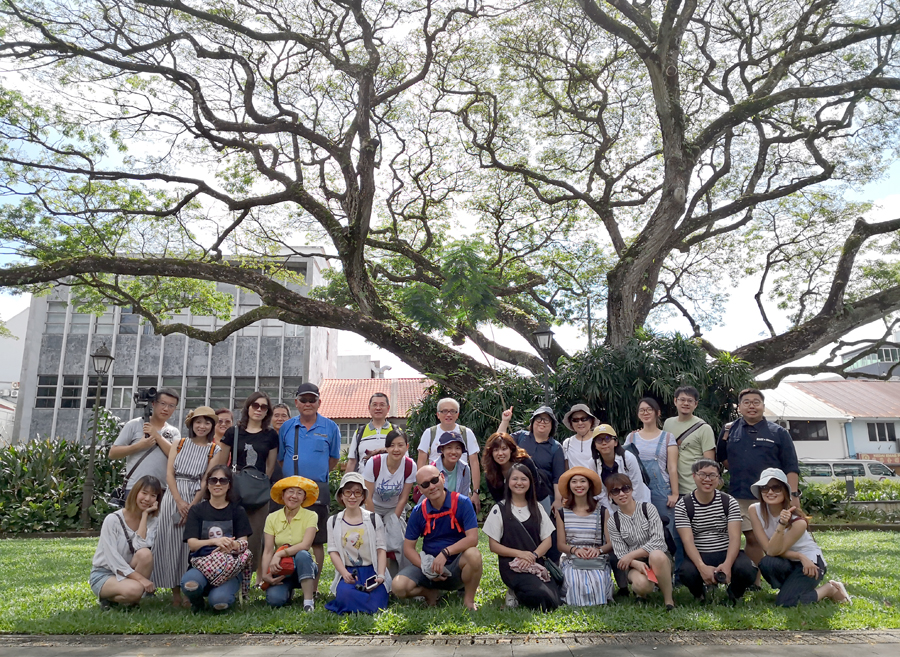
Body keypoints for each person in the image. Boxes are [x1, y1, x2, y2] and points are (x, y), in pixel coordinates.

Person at [717, 388, 800, 583]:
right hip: (741, 494)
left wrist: (793, 494)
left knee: (775, 537)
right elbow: (723, 457)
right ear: (740, 407)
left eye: (756, 402)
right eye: (746, 402)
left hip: (773, 496)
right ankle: (755, 581)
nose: (751, 406)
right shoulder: (729, 430)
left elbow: (791, 466)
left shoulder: (778, 432)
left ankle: (784, 577)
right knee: (752, 538)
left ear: (763, 406)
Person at [749, 468, 851, 607]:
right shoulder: (754, 510)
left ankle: (830, 589)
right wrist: (799, 555)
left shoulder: (798, 522)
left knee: (785, 603)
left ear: (785, 491)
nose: (770, 492)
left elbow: (774, 550)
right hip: (794, 559)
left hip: (811, 564)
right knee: (767, 562)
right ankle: (789, 589)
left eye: (776, 487)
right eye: (765, 488)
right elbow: (770, 551)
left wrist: (783, 525)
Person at [152, 406, 220, 608]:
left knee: (188, 546)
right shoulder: (179, 443)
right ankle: (174, 593)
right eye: (199, 422)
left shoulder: (214, 449)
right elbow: (169, 474)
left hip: (196, 499)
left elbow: (206, 480)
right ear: (191, 424)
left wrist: (191, 505)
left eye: (207, 422)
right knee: (169, 543)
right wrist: (179, 501)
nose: (202, 426)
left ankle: (188, 591)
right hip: (173, 496)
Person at [277, 382, 341, 589]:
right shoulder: (287, 426)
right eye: (303, 400)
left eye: (312, 400)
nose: (307, 403)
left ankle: (312, 587)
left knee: (316, 540)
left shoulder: (331, 427)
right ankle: (286, 581)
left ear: (319, 402)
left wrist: (315, 476)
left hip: (316, 490)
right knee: (286, 537)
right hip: (290, 491)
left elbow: (333, 460)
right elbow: (280, 459)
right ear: (296, 402)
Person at [392, 465, 482, 610]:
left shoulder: (463, 503)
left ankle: (469, 600)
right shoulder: (418, 511)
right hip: (429, 568)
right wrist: (425, 567)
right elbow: (408, 548)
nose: (432, 487)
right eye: (425, 485)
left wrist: (446, 553)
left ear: (442, 478)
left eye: (434, 480)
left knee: (474, 554)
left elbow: (473, 539)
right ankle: (430, 593)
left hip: (456, 566)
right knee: (398, 586)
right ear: (420, 490)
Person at [214, 391, 278, 584]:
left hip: (258, 492)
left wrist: (258, 484)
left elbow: (270, 466)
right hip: (235, 490)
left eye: (264, 407)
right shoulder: (233, 432)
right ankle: (227, 578)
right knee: (230, 533)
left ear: (268, 411)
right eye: (255, 405)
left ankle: (248, 582)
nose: (259, 409)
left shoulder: (271, 435)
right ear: (248, 407)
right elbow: (221, 462)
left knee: (255, 537)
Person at [674, 459, 758, 605]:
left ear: (719, 479)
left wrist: (727, 564)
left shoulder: (729, 501)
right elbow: (687, 541)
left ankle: (734, 594)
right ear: (693, 476)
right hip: (700, 553)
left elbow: (735, 538)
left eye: (712, 475)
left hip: (726, 551)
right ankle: (699, 594)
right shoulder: (683, 505)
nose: (707, 479)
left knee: (748, 569)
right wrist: (701, 567)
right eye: (702, 475)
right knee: (686, 572)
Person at [484, 463, 560, 610]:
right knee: (540, 597)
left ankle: (521, 592)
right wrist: (521, 555)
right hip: (512, 567)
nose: (519, 483)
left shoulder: (537, 508)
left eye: (524, 479)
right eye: (515, 479)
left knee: (554, 600)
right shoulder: (499, 509)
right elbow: (493, 546)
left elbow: (548, 540)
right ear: (508, 482)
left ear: (530, 483)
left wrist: (532, 555)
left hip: (535, 564)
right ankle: (515, 593)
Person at [181, 465, 252, 612]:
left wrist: (231, 544)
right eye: (213, 480)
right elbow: (192, 544)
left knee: (220, 603)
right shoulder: (197, 510)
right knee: (190, 585)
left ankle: (219, 596)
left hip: (229, 568)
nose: (218, 484)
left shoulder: (238, 511)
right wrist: (215, 541)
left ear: (229, 485)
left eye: (223, 480)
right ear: (207, 485)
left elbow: (243, 542)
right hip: (202, 565)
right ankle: (197, 603)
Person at [89, 475, 161, 610]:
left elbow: (140, 547)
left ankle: (130, 601)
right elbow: (113, 559)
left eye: (153, 495)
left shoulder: (152, 521)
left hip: (128, 570)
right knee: (135, 590)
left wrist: (145, 515)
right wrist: (141, 579)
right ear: (135, 493)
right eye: (144, 493)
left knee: (145, 554)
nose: (147, 499)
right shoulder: (113, 520)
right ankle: (109, 598)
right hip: (105, 573)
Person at [605, 473, 675, 610]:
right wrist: (635, 562)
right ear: (610, 496)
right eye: (615, 491)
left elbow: (658, 541)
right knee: (643, 585)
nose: (621, 494)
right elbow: (620, 553)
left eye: (625, 489)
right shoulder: (613, 521)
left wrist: (631, 555)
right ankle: (641, 593)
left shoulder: (648, 508)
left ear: (631, 490)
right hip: (634, 564)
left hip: (659, 558)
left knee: (656, 555)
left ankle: (669, 600)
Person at [325, 472, 391, 614]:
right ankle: (356, 601)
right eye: (348, 492)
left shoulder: (374, 519)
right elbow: (333, 551)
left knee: (377, 604)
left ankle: (361, 603)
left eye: (357, 492)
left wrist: (380, 575)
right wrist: (344, 573)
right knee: (345, 595)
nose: (352, 496)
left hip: (371, 571)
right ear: (341, 496)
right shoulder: (334, 521)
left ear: (363, 496)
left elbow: (381, 549)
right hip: (349, 572)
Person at [555, 467, 614, 606]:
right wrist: (575, 550)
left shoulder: (602, 511)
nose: (579, 485)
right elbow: (561, 544)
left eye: (583, 481)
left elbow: (611, 543)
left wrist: (598, 550)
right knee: (574, 580)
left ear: (589, 485)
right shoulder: (562, 512)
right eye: (574, 482)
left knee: (597, 580)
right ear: (569, 486)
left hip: (596, 556)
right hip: (573, 557)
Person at [363, 429, 417, 576]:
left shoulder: (410, 465)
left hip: (395, 508)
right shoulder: (374, 464)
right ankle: (372, 575)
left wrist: (393, 520)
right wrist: (374, 522)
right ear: (386, 447)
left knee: (398, 541)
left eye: (400, 445)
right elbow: (367, 496)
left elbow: (404, 498)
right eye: (392, 445)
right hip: (373, 507)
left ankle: (401, 577)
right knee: (372, 540)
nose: (396, 449)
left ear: (407, 446)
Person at [108, 387, 181, 496]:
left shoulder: (174, 432)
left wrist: (156, 436)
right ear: (153, 404)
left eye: (171, 406)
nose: (166, 409)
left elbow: (176, 457)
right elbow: (113, 453)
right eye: (162, 403)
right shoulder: (134, 425)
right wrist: (139, 446)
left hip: (161, 490)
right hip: (135, 488)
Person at [261, 476, 319, 610]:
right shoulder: (272, 518)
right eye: (290, 492)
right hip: (282, 568)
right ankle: (287, 591)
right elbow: (268, 550)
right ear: (283, 494)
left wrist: (280, 554)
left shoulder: (311, 515)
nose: (294, 496)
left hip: (304, 566)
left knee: (303, 554)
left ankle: (308, 601)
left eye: (299, 493)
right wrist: (265, 575)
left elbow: (305, 545)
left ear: (304, 498)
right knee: (274, 600)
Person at [417, 398, 482, 512]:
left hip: (461, 486)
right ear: (438, 414)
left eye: (453, 411)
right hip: (435, 487)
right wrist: (423, 486)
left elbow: (474, 462)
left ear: (458, 415)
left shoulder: (466, 433)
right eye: (444, 411)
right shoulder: (430, 433)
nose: (448, 414)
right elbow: (421, 461)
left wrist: (476, 492)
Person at [498, 406, 565, 514]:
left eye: (546, 420)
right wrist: (505, 421)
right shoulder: (520, 437)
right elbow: (499, 442)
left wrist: (558, 500)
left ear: (552, 425)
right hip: (516, 492)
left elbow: (558, 478)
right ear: (533, 422)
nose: (542, 422)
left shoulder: (556, 447)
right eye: (539, 419)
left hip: (543, 497)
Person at [624, 398, 679, 524]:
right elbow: (625, 465)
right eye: (642, 410)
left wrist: (675, 493)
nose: (646, 413)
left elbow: (672, 468)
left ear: (657, 412)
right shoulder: (631, 437)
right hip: (637, 489)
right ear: (638, 414)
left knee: (667, 529)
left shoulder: (668, 437)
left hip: (661, 491)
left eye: (649, 409)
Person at [590, 424, 651, 511]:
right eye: (599, 440)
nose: (604, 443)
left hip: (637, 502)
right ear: (594, 445)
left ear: (615, 442)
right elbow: (600, 492)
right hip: (611, 505)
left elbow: (637, 486)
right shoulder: (593, 463)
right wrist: (610, 513)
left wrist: (633, 511)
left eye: (607, 438)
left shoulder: (628, 458)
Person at [481, 432, 544, 505]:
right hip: (509, 507)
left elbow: (536, 487)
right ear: (491, 453)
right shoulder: (490, 473)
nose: (500, 453)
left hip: (537, 501)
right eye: (496, 450)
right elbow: (499, 500)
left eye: (504, 449)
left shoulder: (525, 462)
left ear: (511, 449)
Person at [346, 393, 397, 473]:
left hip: (391, 483)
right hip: (363, 482)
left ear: (388, 408)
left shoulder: (396, 431)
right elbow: (352, 461)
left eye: (382, 405)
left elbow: (404, 458)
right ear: (369, 408)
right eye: (374, 405)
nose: (378, 408)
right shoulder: (359, 432)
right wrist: (346, 483)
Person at [431, 432, 472, 497]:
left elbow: (464, 496)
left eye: (458, 448)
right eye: (449, 448)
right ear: (442, 450)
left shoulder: (464, 468)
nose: (453, 452)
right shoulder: (432, 468)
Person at [561, 404, 599, 469]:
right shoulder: (567, 443)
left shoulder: (599, 440)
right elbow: (566, 468)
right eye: (575, 420)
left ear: (591, 421)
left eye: (584, 419)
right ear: (571, 423)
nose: (580, 423)